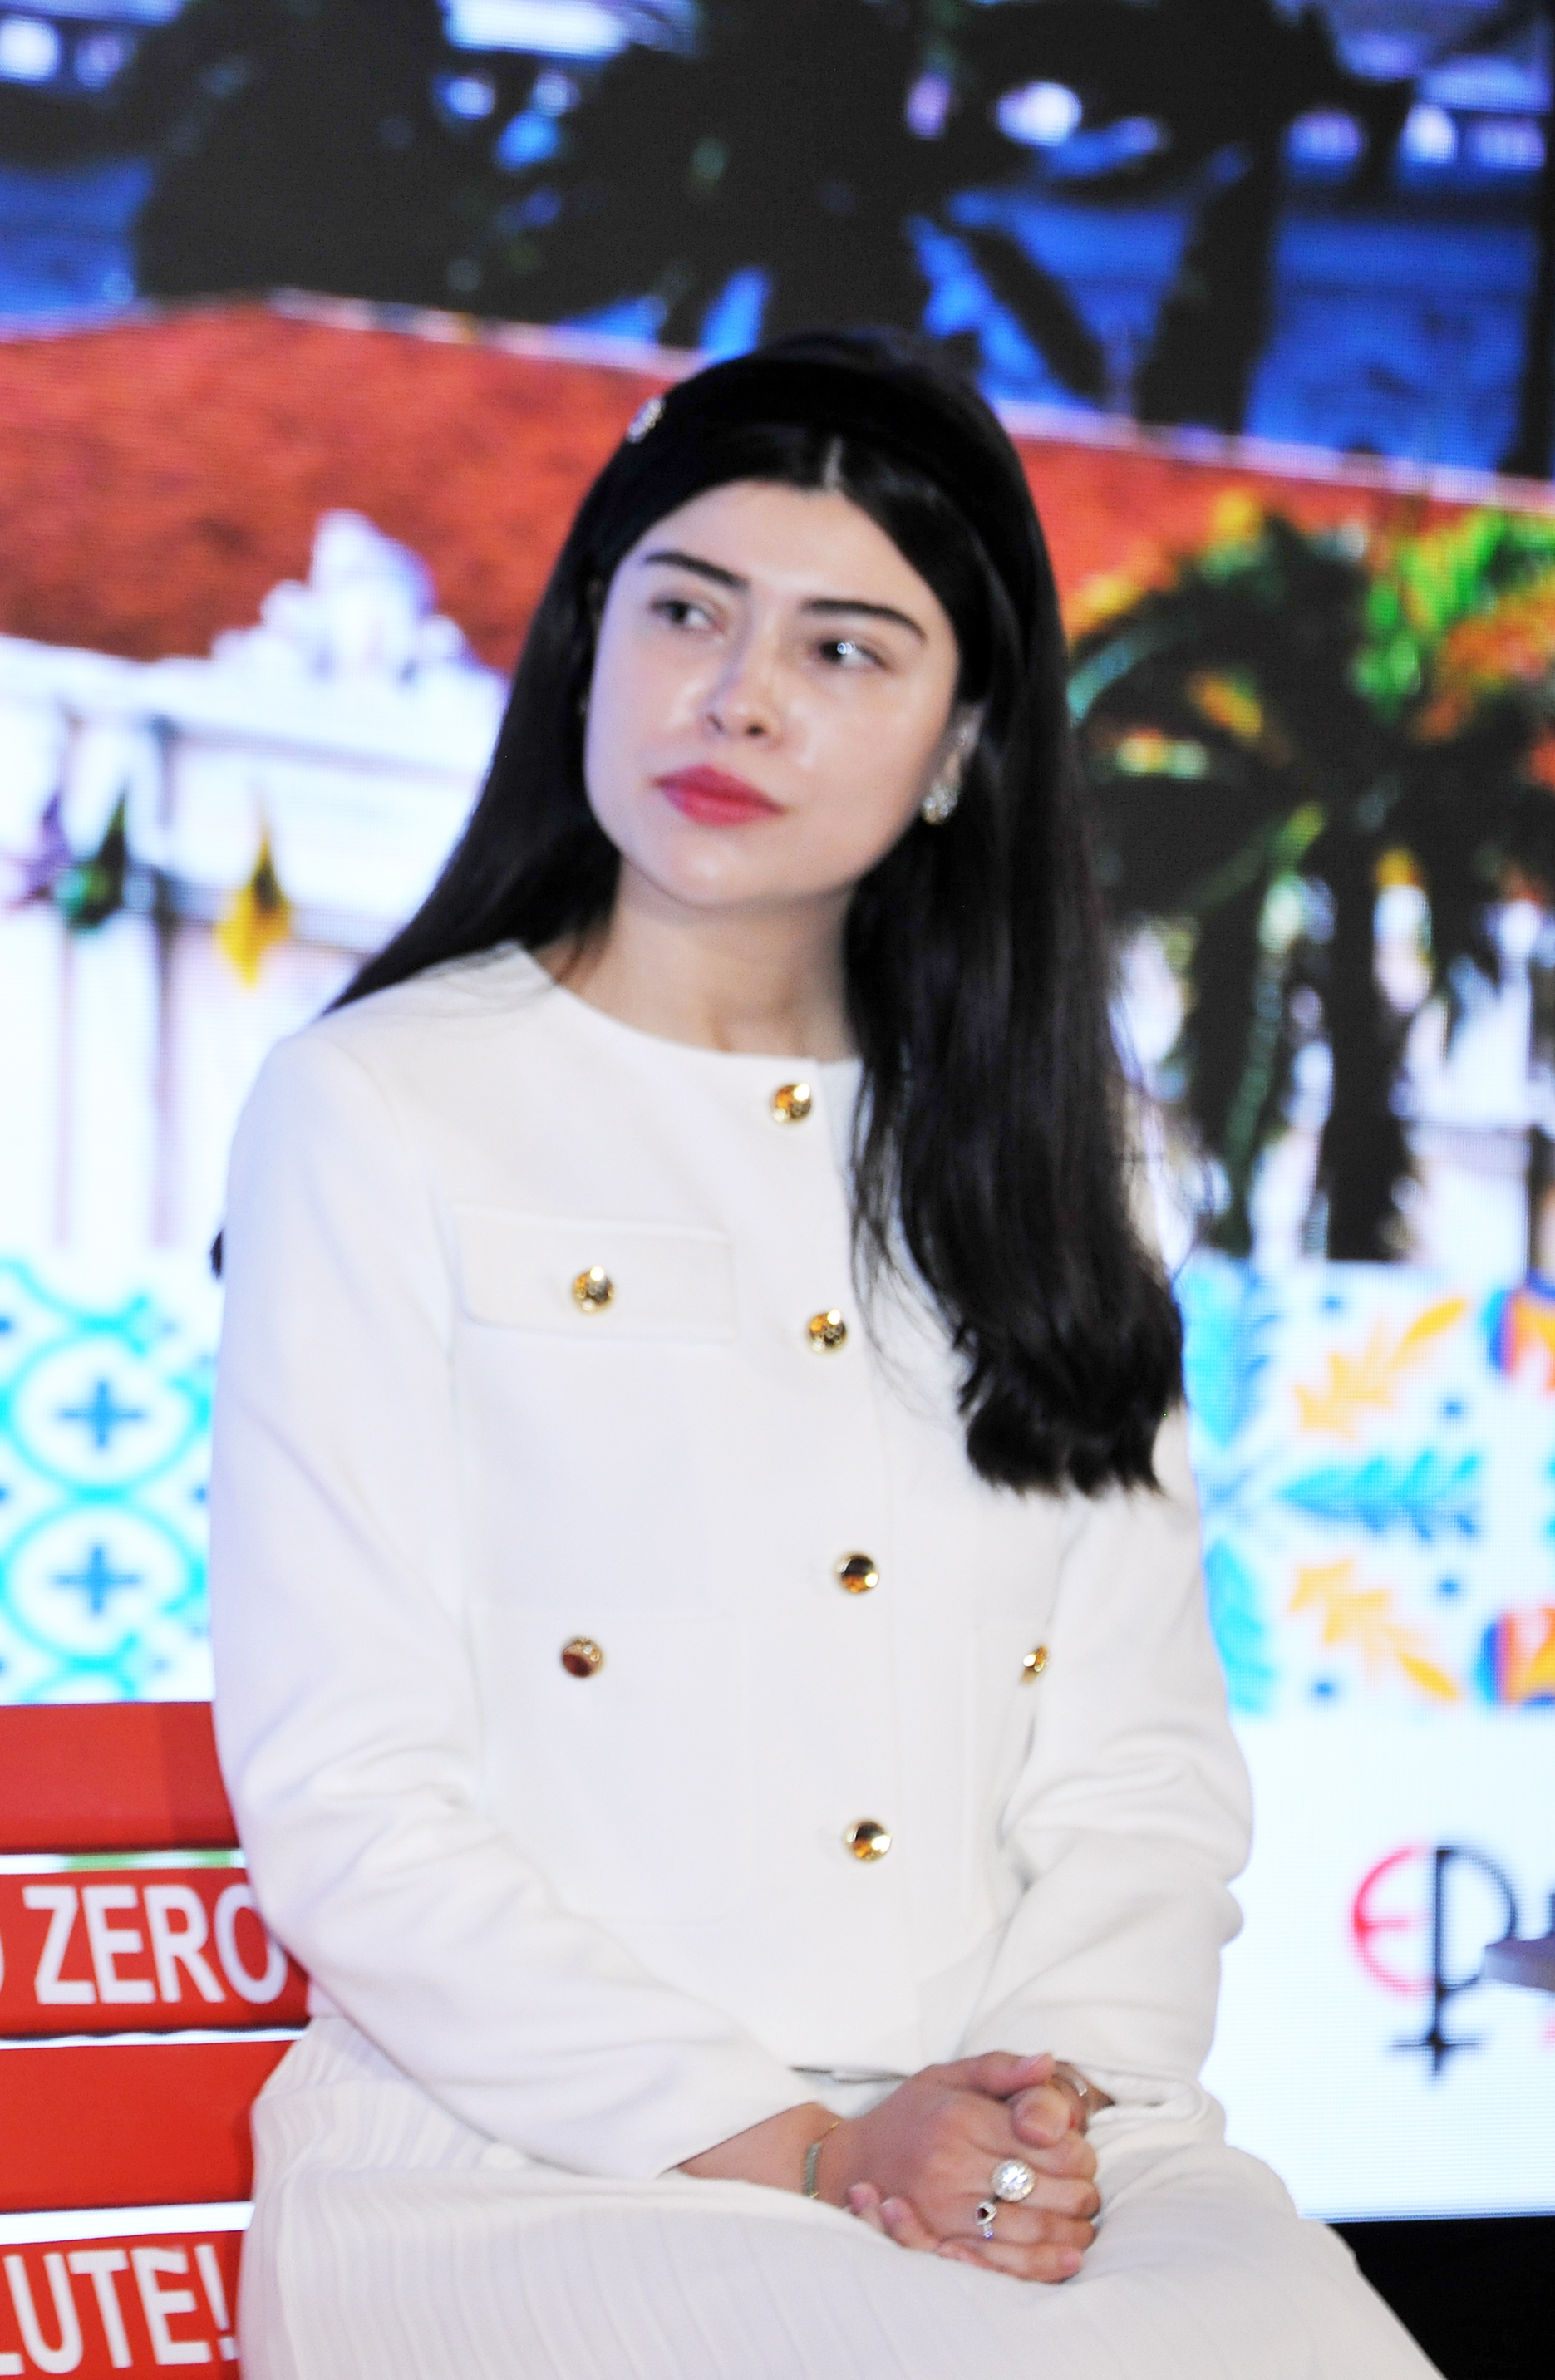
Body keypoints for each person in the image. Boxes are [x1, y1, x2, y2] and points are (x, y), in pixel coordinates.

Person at [207, 333, 1434, 2378]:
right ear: (587, 644)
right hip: (530, 2158)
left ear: (963, 742)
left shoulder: (1057, 1160)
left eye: (846, 648)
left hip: (1031, 2162)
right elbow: (350, 1796)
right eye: (687, 611)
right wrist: (812, 2147)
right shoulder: (379, 1104)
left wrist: (1029, 2117)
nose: (740, 696)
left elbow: (1138, 1771)